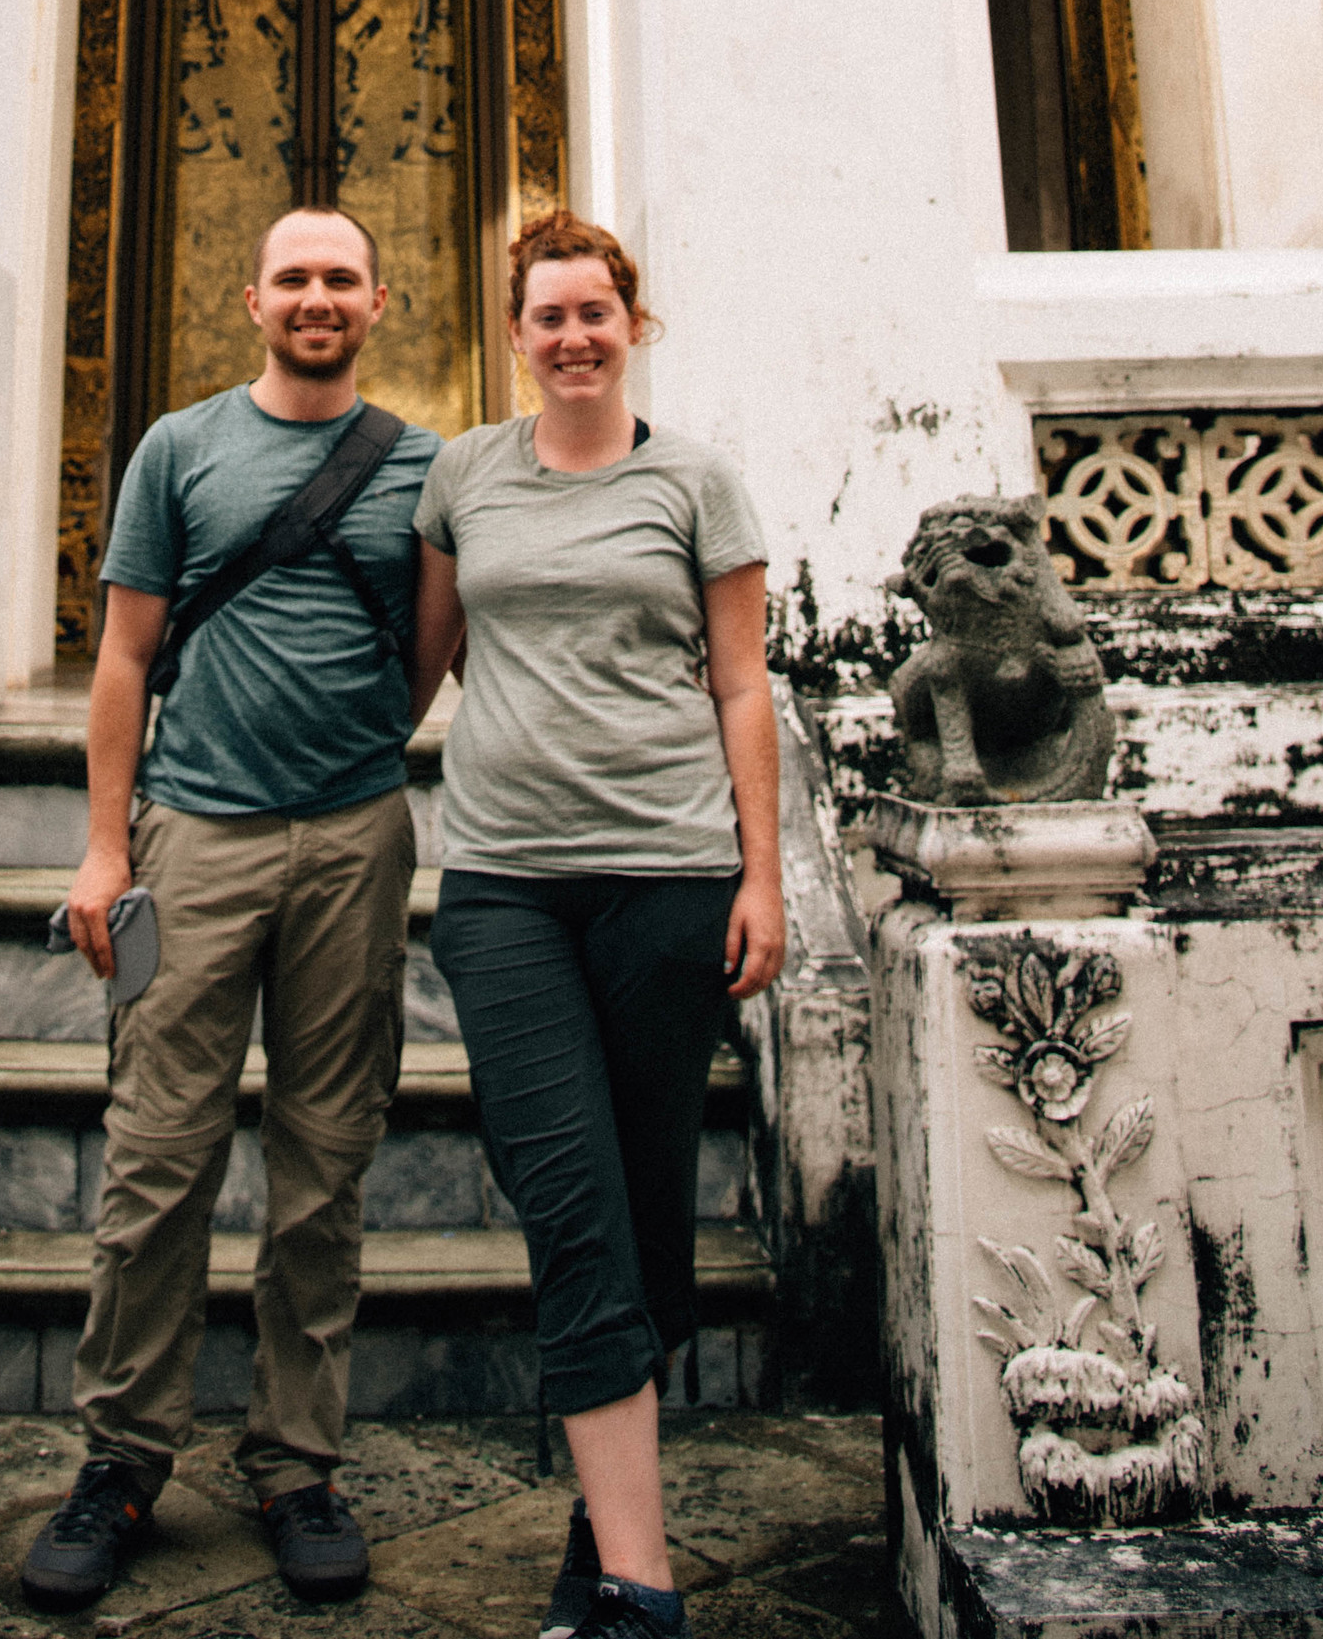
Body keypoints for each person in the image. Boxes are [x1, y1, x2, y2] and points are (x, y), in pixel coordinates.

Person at [19, 208, 439, 1614]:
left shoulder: (422, 469)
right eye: (293, 277)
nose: (316, 298)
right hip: (189, 840)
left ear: (379, 299)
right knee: (157, 1154)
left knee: (328, 1155)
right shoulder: (179, 451)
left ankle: (296, 1458)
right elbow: (126, 655)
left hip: (353, 842)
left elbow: (428, 650)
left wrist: (356, 763)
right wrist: (101, 849)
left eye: (340, 278)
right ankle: (124, 1454)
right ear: (249, 295)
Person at [408, 210, 784, 1639]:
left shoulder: (696, 482)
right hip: (505, 883)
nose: (573, 333)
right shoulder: (465, 478)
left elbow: (741, 684)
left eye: (596, 310)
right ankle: (644, 1587)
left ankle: (600, 1515)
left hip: (671, 877)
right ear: (515, 334)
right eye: (547, 313)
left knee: (649, 1212)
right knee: (569, 1201)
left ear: (636, 323)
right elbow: (420, 664)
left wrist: (765, 874)